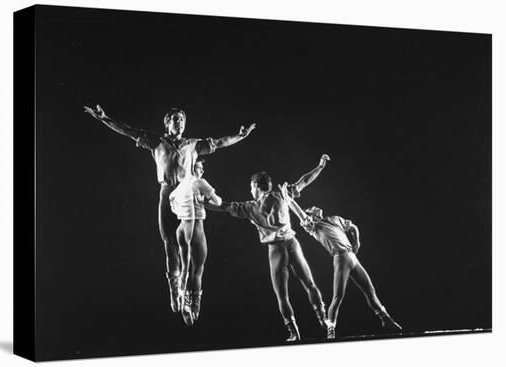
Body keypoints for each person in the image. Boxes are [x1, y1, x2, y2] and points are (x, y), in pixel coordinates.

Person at [84, 105, 255, 312]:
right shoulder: (157, 142)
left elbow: (219, 142)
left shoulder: (192, 145)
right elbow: (128, 131)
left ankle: (192, 293)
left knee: (191, 243)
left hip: (185, 194)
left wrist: (240, 136)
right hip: (166, 193)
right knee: (169, 243)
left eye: (182, 120)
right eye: (175, 119)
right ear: (167, 123)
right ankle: (175, 289)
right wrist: (105, 119)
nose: (179, 123)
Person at [206, 157, 331, 342]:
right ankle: (324, 321)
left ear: (256, 185)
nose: (250, 189)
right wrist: (320, 166)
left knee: (282, 295)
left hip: (276, 249)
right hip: (292, 243)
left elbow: (224, 207)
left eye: (251, 186)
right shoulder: (282, 193)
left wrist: (200, 203)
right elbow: (304, 181)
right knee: (310, 284)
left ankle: (294, 332)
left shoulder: (251, 206)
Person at [278, 181, 403, 339]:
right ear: (311, 216)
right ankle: (331, 330)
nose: (313, 207)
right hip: (341, 258)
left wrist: (356, 241)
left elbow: (353, 227)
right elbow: (299, 212)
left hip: (352, 257)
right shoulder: (314, 226)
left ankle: (386, 319)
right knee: (338, 297)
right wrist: (287, 199)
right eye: (309, 210)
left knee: (370, 290)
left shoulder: (334, 219)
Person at [169, 158, 222, 325]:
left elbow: (171, 198)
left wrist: (181, 208)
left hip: (181, 229)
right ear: (193, 169)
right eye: (199, 168)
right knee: (197, 270)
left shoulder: (181, 185)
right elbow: (218, 202)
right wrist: (202, 201)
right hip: (196, 229)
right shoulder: (199, 182)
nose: (202, 171)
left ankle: (183, 301)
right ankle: (195, 306)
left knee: (185, 268)